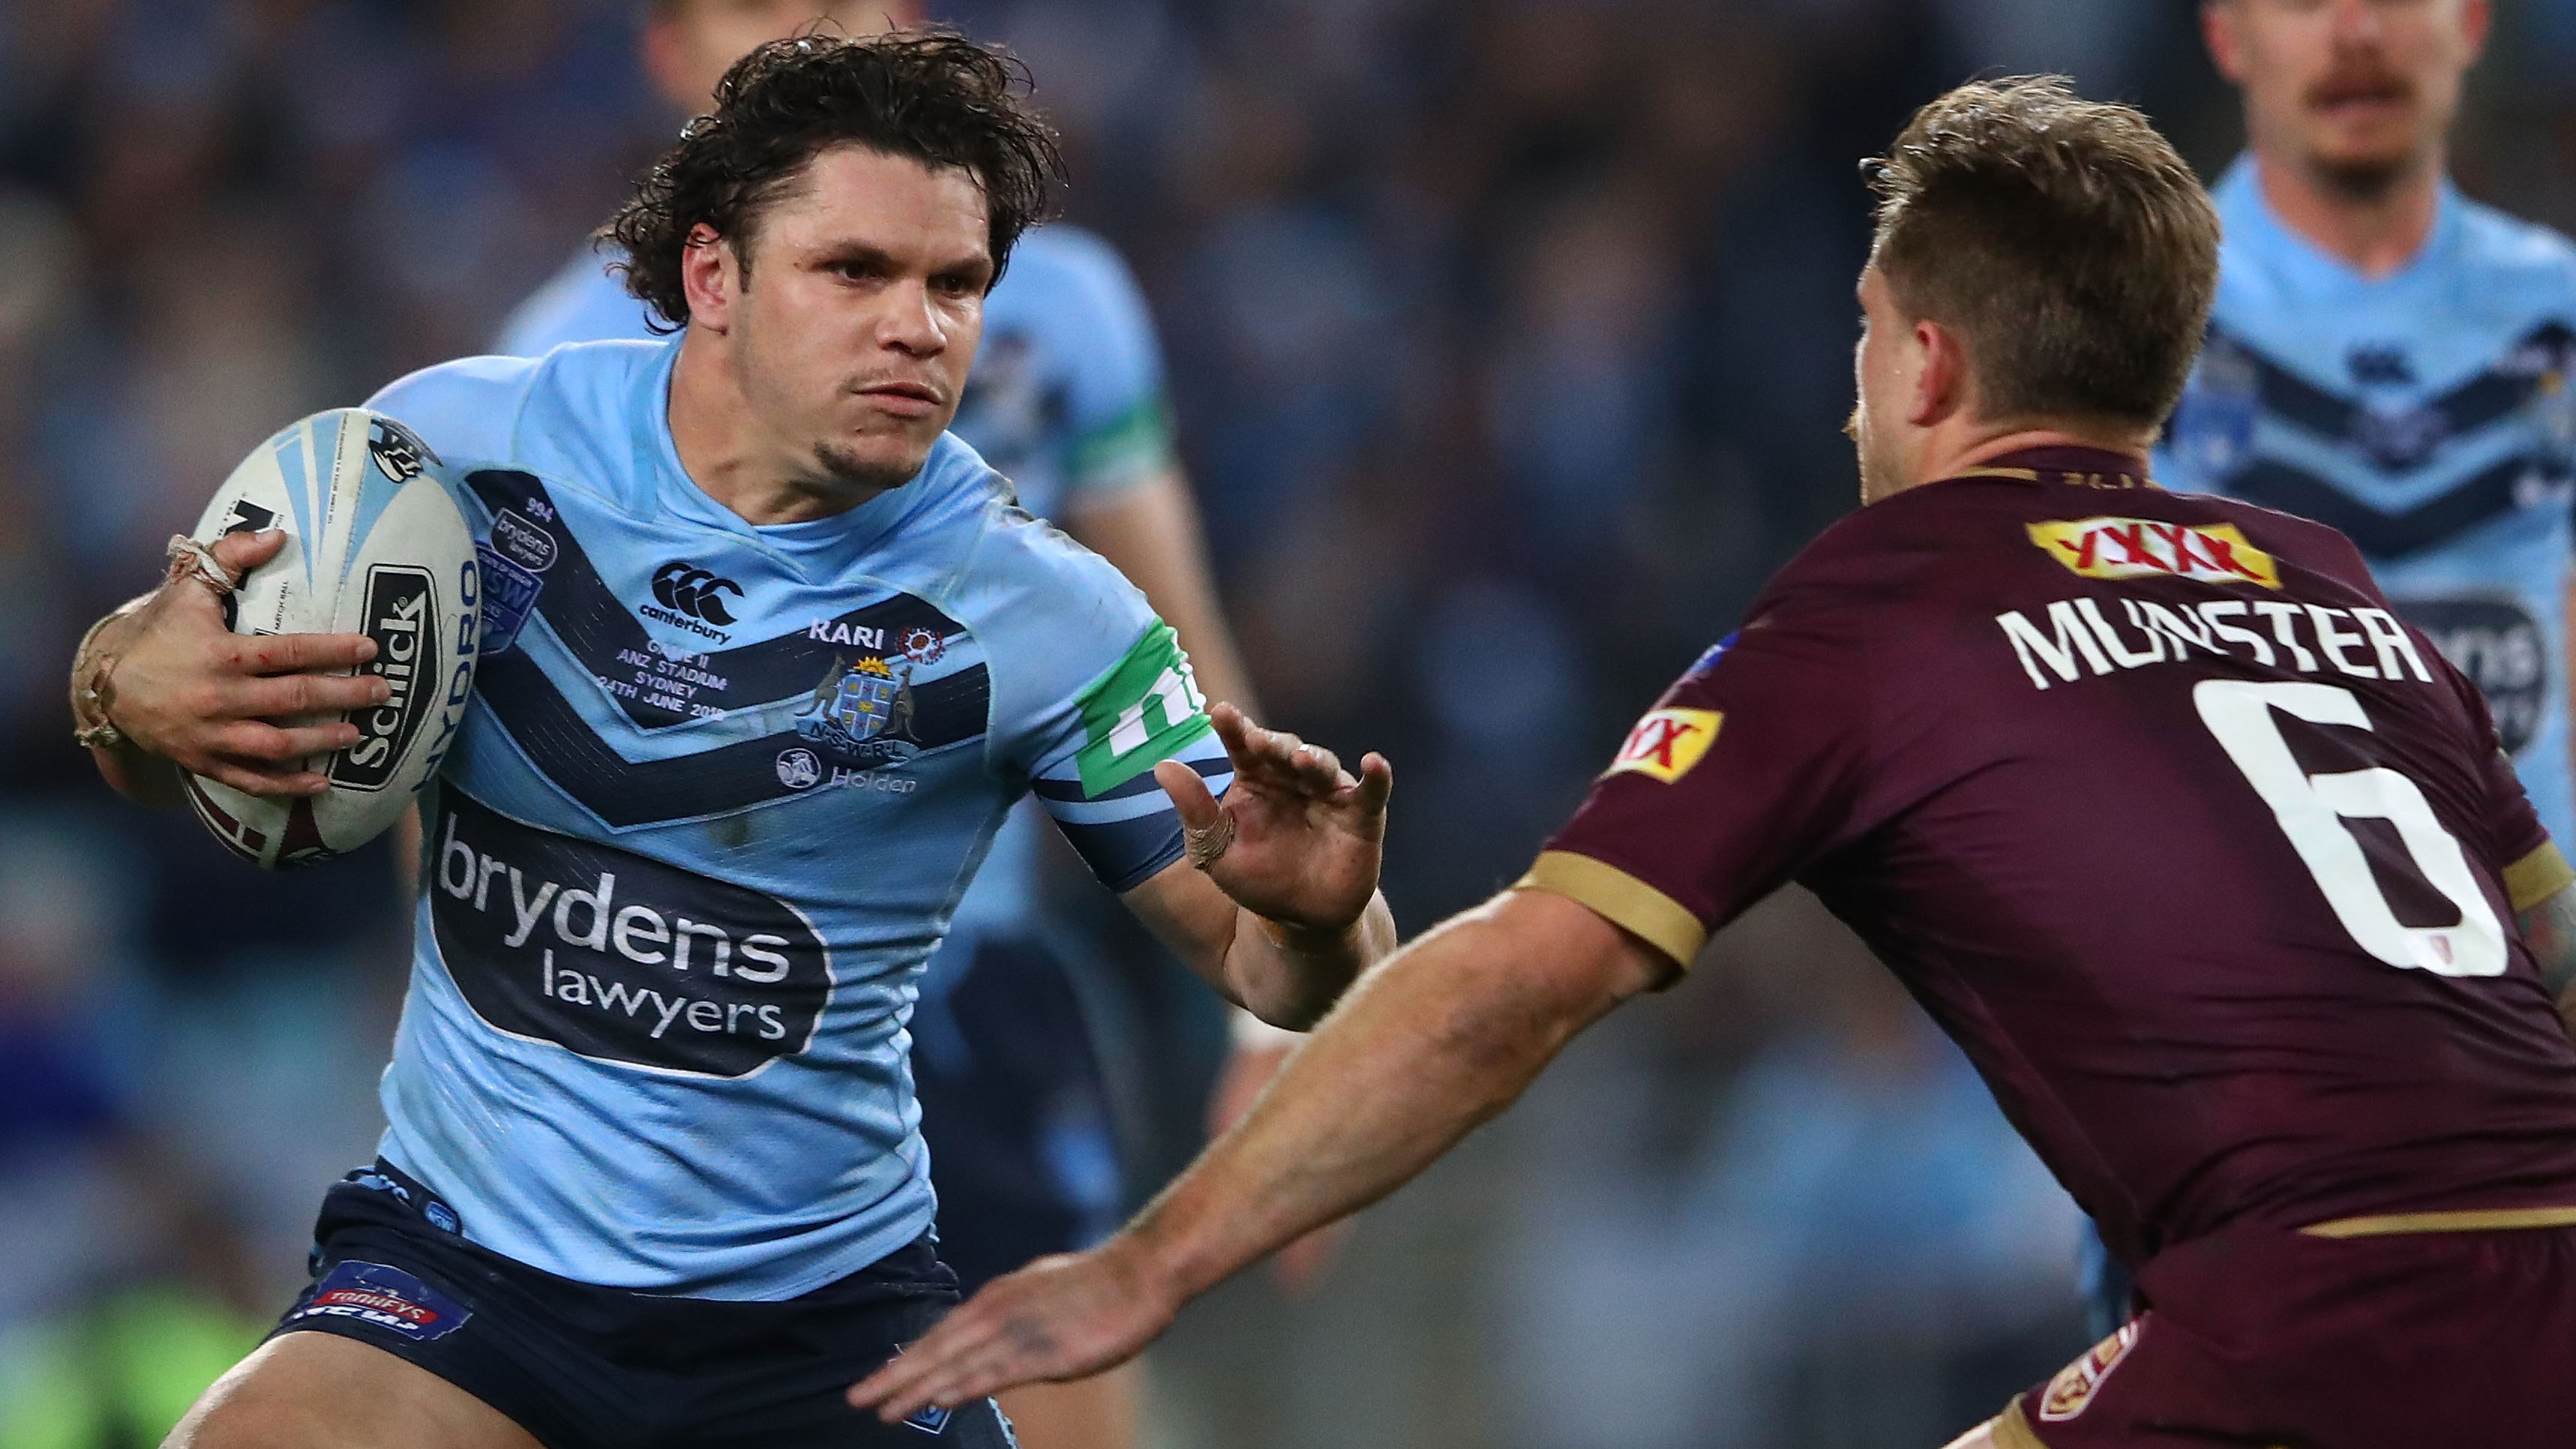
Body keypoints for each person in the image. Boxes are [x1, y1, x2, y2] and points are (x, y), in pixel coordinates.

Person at [853, 78, 2576, 1449]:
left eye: (1858, 333)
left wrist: (1149, 1267)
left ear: (1925, 356)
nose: (1849, 391)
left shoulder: (1887, 602)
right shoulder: (2324, 581)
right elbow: (2542, 963)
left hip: (2313, 1320)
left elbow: (1515, 984)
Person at [70, 32, 1395, 1449]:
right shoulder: (444, 456)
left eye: (958, 285)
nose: (923, 328)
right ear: (713, 278)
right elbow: (170, 725)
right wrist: (121, 690)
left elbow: (1291, 972)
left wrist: (1319, 922)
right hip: (468, 1274)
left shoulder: (1043, 615)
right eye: (857, 273)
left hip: (817, 1323)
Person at [496, 6, 1306, 1443]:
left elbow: (1181, 673)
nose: (802, 27)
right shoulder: (550, 371)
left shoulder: (1060, 313)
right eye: (752, 1)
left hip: (967, 989)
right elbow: (463, 746)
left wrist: (1278, 1020)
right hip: (668, 1016)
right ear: (667, 53)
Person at [2056, 0, 2576, 1340]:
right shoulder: (2101, 349)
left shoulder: (2566, 324)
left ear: (2471, 22)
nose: (2356, 31)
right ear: (2228, 35)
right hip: (2241, 1116)